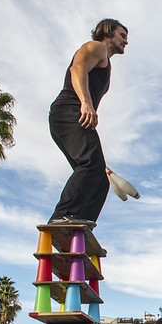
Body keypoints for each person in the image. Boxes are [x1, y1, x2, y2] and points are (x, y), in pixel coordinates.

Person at [48, 18, 128, 225]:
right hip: (69, 111)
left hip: (72, 115)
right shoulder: (96, 47)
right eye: (122, 35)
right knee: (91, 163)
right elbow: (77, 69)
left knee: (100, 180)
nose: (126, 41)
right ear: (108, 31)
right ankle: (63, 216)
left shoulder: (105, 60)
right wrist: (85, 102)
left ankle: (80, 228)